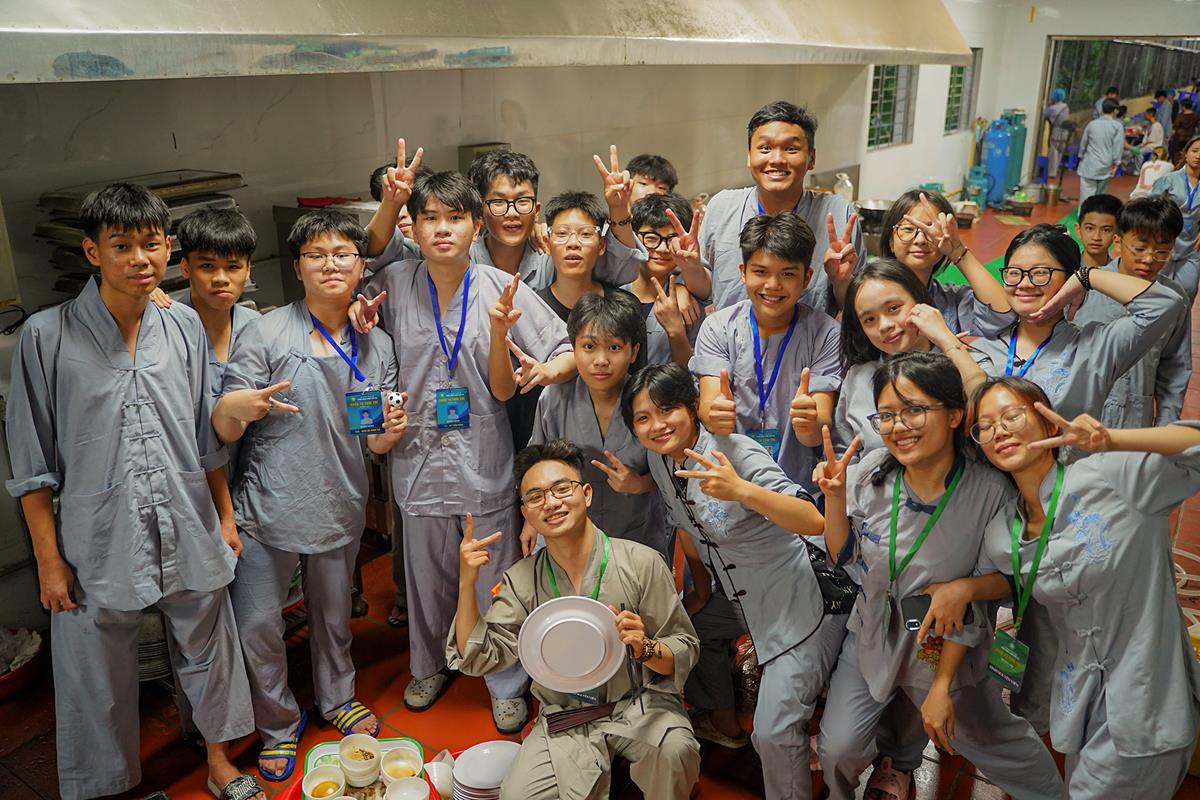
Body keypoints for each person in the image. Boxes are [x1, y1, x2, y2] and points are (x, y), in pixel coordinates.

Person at [4, 183, 256, 800]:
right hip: (97, 534)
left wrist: (225, 518)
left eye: (151, 244)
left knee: (210, 644)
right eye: (122, 246)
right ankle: (108, 786)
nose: (140, 259)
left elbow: (204, 438)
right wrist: (48, 560)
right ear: (92, 252)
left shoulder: (184, 326)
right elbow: (32, 464)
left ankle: (219, 760)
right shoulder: (46, 336)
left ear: (169, 248)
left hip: (187, 517)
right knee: (95, 668)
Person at [351, 168, 576, 733]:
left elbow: (565, 347)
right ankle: (429, 665)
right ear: (414, 227)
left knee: (496, 575)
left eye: (455, 218)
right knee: (426, 578)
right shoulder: (394, 283)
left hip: (483, 457)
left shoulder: (502, 287)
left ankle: (505, 680)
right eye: (430, 218)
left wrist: (547, 369)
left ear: (476, 226)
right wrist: (357, 311)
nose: (442, 229)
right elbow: (354, 275)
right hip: (417, 458)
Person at [814, 353, 1063, 800]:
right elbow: (842, 553)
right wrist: (833, 498)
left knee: (997, 744)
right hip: (873, 635)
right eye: (887, 415)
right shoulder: (872, 471)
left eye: (914, 410)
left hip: (941, 648)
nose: (898, 426)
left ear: (953, 415)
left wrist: (943, 684)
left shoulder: (989, 490)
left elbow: (1001, 584)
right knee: (837, 750)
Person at [214, 209, 403, 782]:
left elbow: (374, 440)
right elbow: (225, 425)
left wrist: (389, 433)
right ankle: (276, 724)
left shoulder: (377, 342)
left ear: (361, 265)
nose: (330, 265)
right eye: (316, 256)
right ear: (297, 267)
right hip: (267, 504)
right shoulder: (264, 331)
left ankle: (337, 697)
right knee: (257, 626)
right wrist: (235, 408)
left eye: (343, 254)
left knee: (334, 615)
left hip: (338, 499)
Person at [966, 378, 1200, 798]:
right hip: (1078, 696)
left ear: (1048, 423)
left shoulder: (1110, 477)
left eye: (1011, 415)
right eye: (985, 426)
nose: (998, 430)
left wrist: (1113, 440)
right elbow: (995, 580)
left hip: (1147, 698)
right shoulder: (1003, 532)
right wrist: (959, 590)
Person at [627, 362, 848, 800]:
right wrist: (699, 593)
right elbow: (687, 528)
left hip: (796, 600)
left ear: (693, 407)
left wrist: (741, 490)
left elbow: (813, 520)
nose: (657, 425)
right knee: (683, 630)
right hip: (737, 596)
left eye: (667, 409)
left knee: (773, 733)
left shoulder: (734, 451)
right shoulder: (660, 459)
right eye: (643, 417)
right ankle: (722, 719)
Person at [449, 439, 701, 800]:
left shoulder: (641, 562)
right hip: (567, 714)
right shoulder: (521, 580)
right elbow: (478, 657)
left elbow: (684, 647)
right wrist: (466, 582)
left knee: (677, 752)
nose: (551, 503)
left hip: (639, 703)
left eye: (561, 489)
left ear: (586, 494)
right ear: (526, 512)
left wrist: (645, 647)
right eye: (536, 497)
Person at [970, 224, 1187, 421]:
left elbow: (1165, 304)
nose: (1025, 283)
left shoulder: (1095, 348)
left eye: (1040, 273)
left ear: (1068, 279)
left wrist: (1086, 277)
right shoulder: (981, 349)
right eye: (1014, 273)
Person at [693, 213, 841, 490]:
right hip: (731, 483)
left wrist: (810, 422)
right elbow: (709, 410)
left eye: (788, 274)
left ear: (807, 278)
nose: (773, 285)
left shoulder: (826, 333)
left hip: (797, 489)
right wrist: (715, 415)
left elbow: (816, 432)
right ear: (743, 272)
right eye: (760, 272)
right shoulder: (718, 328)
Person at [526, 292, 667, 554]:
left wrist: (639, 484)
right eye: (589, 347)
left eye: (614, 347)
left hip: (637, 536)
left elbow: (673, 473)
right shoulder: (554, 398)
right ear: (573, 348)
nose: (601, 360)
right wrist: (530, 522)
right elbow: (535, 467)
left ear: (633, 351)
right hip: (568, 538)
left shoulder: (650, 402)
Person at [698, 99, 863, 313]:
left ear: (811, 158)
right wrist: (684, 281)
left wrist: (841, 281)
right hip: (730, 335)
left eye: (791, 149)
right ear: (749, 156)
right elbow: (702, 287)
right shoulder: (722, 208)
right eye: (765, 148)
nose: (777, 159)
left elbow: (861, 307)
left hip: (811, 335)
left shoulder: (839, 215)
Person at [835, 260, 989, 455]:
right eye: (869, 319)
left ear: (920, 301)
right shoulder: (857, 377)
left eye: (893, 308)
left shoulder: (965, 360)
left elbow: (989, 413)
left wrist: (946, 340)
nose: (884, 325)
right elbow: (843, 452)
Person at [1071, 195, 1191, 429]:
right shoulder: (1086, 287)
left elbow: (1174, 368)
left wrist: (1165, 426)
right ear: (1118, 242)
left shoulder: (1174, 299)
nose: (1149, 259)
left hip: (1133, 419)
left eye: (1162, 251)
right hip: (1080, 415)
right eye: (1139, 248)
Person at [863, 189, 1014, 336]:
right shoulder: (868, 294)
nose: (920, 240)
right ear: (891, 242)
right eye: (908, 229)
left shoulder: (951, 301)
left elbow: (1002, 317)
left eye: (931, 231)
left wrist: (958, 251)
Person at [627, 192, 709, 366]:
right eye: (651, 239)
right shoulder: (613, 286)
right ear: (634, 237)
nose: (663, 249)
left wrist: (675, 330)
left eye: (672, 240)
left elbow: (692, 371)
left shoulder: (691, 298)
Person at [535, 191, 632, 322]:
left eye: (585, 234)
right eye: (562, 233)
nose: (573, 243)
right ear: (547, 244)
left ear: (601, 245)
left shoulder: (623, 308)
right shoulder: (534, 308)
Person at [1151, 134, 1200, 301]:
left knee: (1189, 288)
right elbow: (1151, 209)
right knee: (1158, 289)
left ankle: (1181, 318)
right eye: (1195, 150)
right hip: (1164, 243)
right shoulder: (1168, 180)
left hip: (1192, 247)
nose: (1198, 155)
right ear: (1186, 153)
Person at [1077, 99, 1125, 205]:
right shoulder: (1117, 126)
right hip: (1105, 166)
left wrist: (1081, 156)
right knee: (1100, 196)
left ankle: (1084, 213)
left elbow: (1083, 143)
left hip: (1089, 164)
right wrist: (1116, 163)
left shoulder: (1092, 124)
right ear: (1115, 111)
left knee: (1086, 195)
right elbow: (1118, 147)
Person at [1074, 193, 1121, 269]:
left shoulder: (1118, 273)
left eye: (1106, 230)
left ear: (1117, 234)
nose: (1096, 237)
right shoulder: (1066, 269)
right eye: (1090, 228)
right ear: (1078, 230)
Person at [1044, 87, 1073, 180]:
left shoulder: (1052, 108)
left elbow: (1045, 114)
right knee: (1060, 150)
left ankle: (1051, 172)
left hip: (1056, 130)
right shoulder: (1066, 107)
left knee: (1054, 151)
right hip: (1065, 131)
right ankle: (1056, 169)